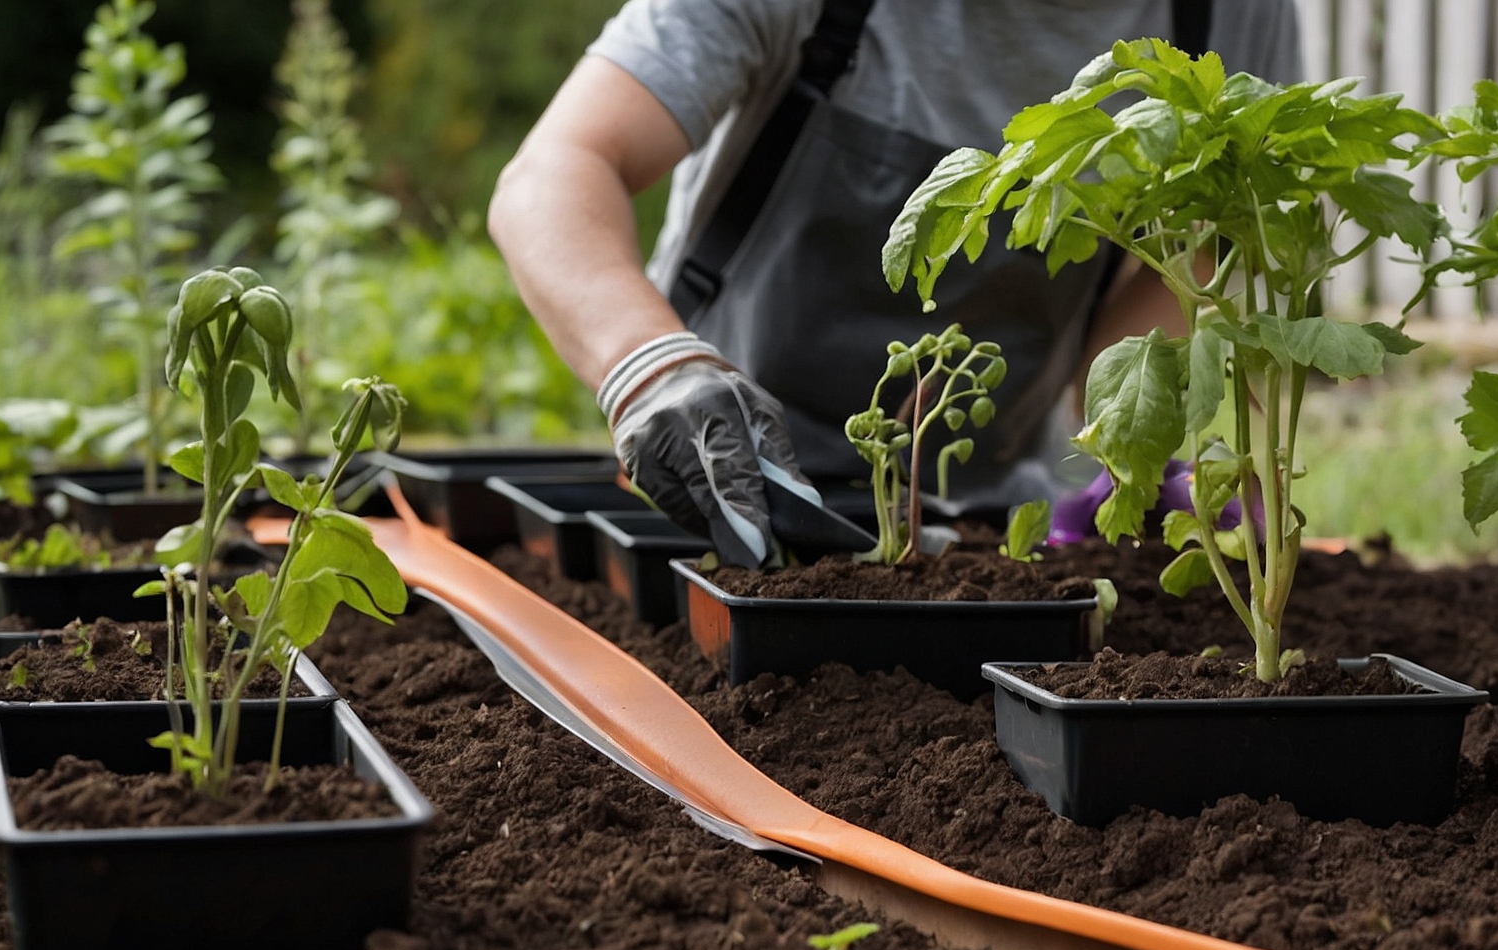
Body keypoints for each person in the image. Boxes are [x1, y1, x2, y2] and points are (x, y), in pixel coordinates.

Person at [490, 0, 1302, 565]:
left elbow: (1208, 257)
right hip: (714, 505)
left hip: (984, 538)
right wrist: (651, 366)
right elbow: (555, 172)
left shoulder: (1227, 16)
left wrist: (1132, 451)